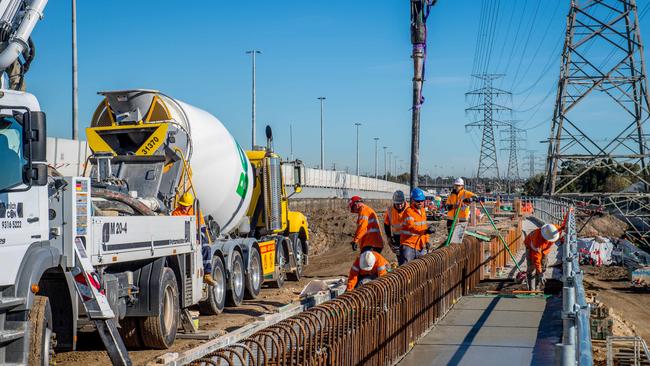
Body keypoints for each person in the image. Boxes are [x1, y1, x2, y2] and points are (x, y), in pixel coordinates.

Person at [172, 192, 217, 286]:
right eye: (182, 205)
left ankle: (207, 274)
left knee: (206, 247)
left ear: (190, 205)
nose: (184, 207)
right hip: (182, 237)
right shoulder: (176, 212)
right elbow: (175, 230)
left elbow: (202, 229)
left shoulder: (196, 212)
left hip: (196, 235)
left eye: (186, 205)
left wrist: (197, 238)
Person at [399, 188, 435, 265]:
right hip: (408, 245)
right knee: (406, 270)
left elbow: (424, 226)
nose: (420, 203)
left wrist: (426, 241)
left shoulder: (422, 211)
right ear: (413, 200)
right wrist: (425, 231)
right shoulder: (409, 211)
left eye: (421, 200)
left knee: (419, 269)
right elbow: (411, 227)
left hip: (419, 245)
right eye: (418, 201)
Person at [524, 223, 562, 290]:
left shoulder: (554, 229)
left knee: (543, 266)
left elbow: (562, 226)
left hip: (545, 249)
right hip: (531, 248)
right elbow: (536, 260)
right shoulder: (537, 241)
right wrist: (540, 273)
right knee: (532, 268)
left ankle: (538, 287)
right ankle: (531, 289)